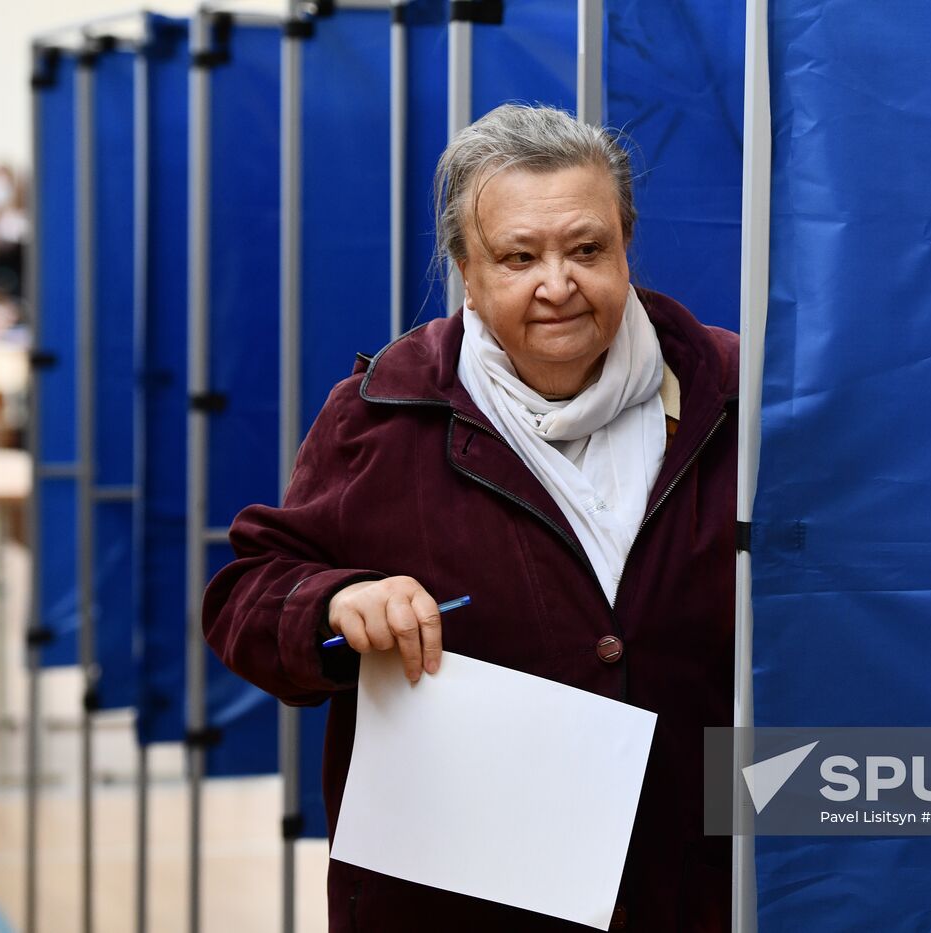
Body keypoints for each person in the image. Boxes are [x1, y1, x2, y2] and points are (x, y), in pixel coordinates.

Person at [203, 103, 737, 931]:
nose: (557, 284)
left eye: (587, 249)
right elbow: (244, 594)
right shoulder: (381, 412)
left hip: (695, 885)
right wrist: (334, 603)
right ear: (465, 268)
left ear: (627, 238)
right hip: (461, 902)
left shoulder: (737, 397)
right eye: (518, 257)